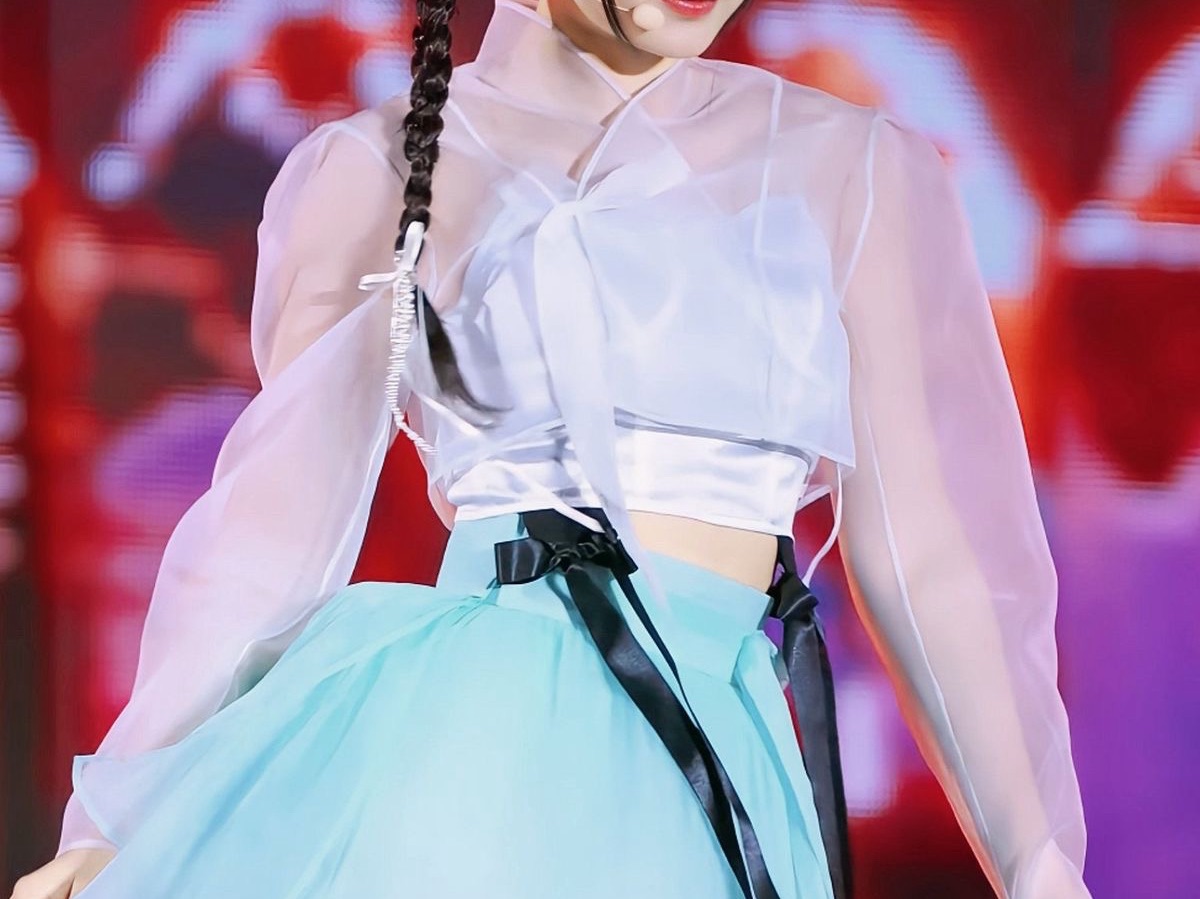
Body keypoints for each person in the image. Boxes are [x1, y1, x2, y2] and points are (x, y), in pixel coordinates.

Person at [12, 0, 1092, 897]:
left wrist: (1038, 861)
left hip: (730, 741)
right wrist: (116, 822)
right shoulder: (373, 168)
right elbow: (269, 536)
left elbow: (930, 559)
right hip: (475, 742)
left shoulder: (853, 165)